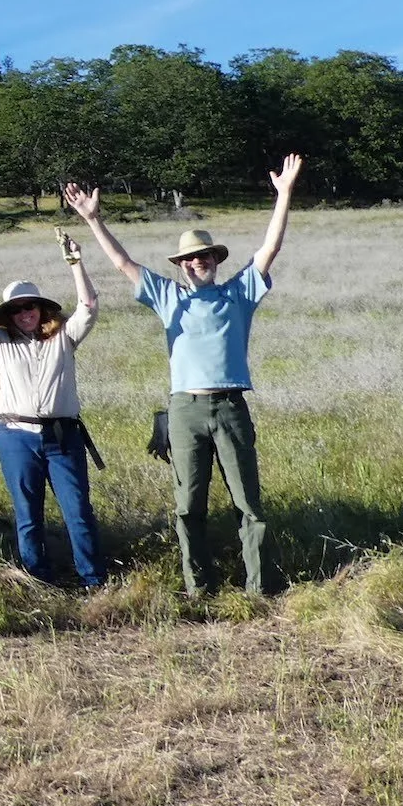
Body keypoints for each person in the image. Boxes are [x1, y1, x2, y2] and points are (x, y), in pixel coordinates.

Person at [65, 155, 304, 597]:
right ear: (181, 265)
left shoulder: (240, 292)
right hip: (185, 410)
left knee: (249, 503)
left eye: (205, 256)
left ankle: (260, 587)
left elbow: (269, 250)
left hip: (231, 405)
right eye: (191, 259)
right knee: (188, 505)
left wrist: (284, 194)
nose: (198, 263)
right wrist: (93, 220)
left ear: (216, 259)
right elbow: (123, 264)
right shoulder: (167, 296)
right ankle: (199, 587)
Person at [0, 234, 104, 588]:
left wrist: (76, 263)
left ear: (42, 309)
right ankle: (38, 581)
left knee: (78, 512)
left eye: (30, 307)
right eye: (17, 309)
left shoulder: (64, 338)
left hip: (62, 436)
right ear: (9, 315)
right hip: (16, 437)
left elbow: (89, 307)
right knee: (28, 514)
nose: (25, 314)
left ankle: (93, 580)